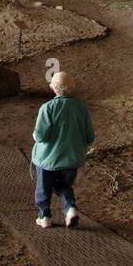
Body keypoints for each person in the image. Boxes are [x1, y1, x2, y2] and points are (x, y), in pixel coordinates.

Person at [31, 71, 95, 229]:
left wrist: (34, 135)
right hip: (72, 158)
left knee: (43, 188)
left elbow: (40, 136)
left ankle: (44, 216)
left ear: (53, 88)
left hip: (47, 159)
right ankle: (70, 209)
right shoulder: (81, 107)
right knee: (63, 186)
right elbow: (90, 136)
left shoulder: (48, 108)